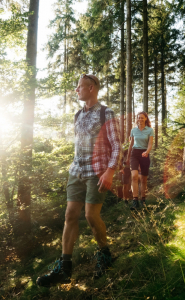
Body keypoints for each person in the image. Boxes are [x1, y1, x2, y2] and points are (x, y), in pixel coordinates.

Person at [36, 74, 122, 287]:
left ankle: (105, 256)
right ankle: (65, 268)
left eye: (79, 87)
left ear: (91, 88)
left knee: (91, 215)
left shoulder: (106, 112)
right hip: (76, 171)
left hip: (97, 172)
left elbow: (117, 145)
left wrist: (110, 171)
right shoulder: (77, 115)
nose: (76, 90)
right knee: (70, 215)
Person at [126, 111, 154, 210]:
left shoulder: (150, 130)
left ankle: (143, 200)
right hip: (135, 153)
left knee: (143, 179)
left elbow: (150, 144)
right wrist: (128, 157)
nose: (140, 119)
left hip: (144, 154)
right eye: (139, 117)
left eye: (142, 117)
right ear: (137, 119)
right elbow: (131, 144)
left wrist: (147, 151)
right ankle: (135, 201)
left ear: (146, 118)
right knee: (134, 176)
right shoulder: (133, 130)